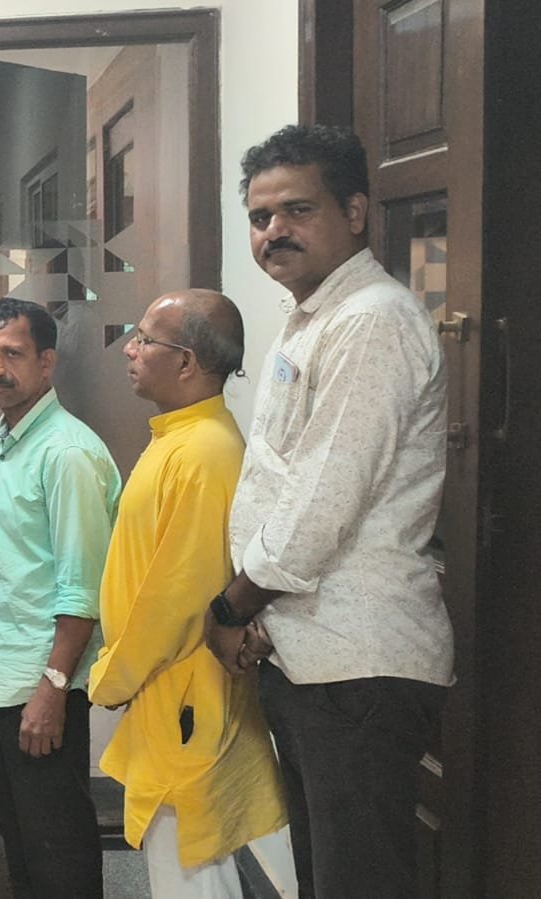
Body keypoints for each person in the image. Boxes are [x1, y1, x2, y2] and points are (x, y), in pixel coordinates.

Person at [207, 124, 454, 898]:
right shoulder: (315, 315)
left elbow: (321, 502)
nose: (273, 230)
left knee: (357, 880)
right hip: (311, 654)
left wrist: (229, 606)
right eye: (259, 217)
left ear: (353, 212)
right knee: (326, 876)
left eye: (296, 210)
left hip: (358, 665)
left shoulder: (371, 320)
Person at [88, 290, 286, 897]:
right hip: (170, 687)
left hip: (183, 691)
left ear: (186, 362)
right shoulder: (180, 437)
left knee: (191, 870)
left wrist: (113, 678)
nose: (130, 349)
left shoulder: (203, 452)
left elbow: (176, 600)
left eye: (145, 339)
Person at [0, 298, 117, 898]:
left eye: (12, 354)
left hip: (42, 684)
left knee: (59, 848)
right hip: (3, 678)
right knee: (24, 844)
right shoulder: (0, 443)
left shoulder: (66, 452)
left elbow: (82, 587)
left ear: (47, 362)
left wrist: (52, 688)